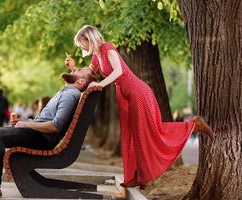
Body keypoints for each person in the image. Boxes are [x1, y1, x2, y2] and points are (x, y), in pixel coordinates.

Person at [66, 25, 215, 187]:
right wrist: (73, 68)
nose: (81, 47)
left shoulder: (108, 48)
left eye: (82, 43)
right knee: (132, 134)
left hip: (137, 91)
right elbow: (88, 73)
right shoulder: (96, 56)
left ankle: (194, 125)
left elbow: (118, 72)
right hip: (124, 94)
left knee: (150, 131)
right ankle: (136, 176)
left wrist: (100, 85)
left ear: (90, 38)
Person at [0, 67, 96, 198]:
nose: (75, 69)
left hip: (43, 138)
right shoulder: (68, 91)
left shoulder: (70, 94)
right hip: (36, 132)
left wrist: (26, 124)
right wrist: (24, 123)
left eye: (79, 70)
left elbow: (56, 126)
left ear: (81, 82)